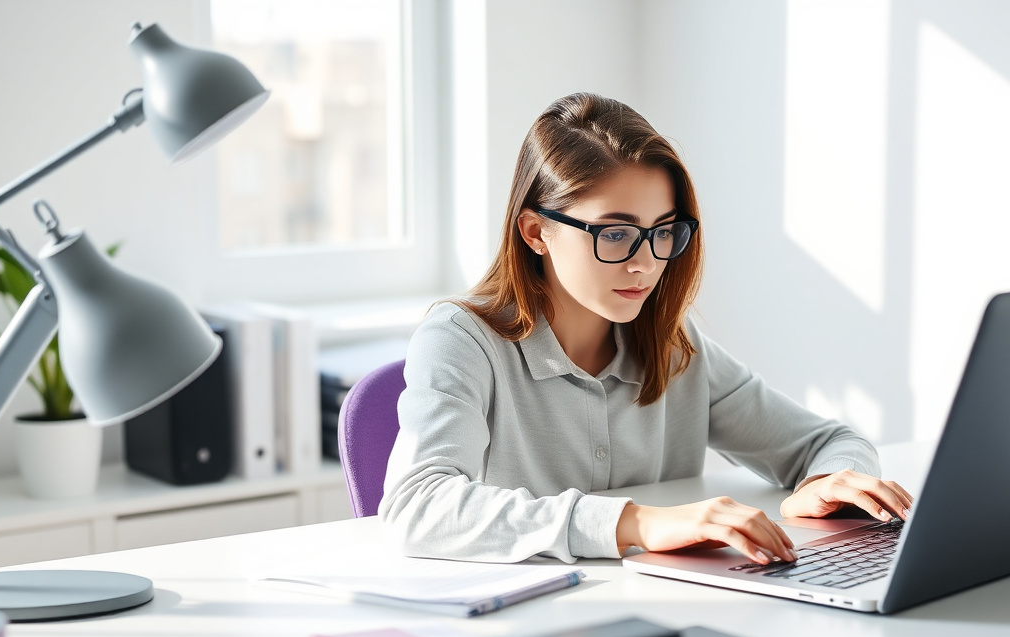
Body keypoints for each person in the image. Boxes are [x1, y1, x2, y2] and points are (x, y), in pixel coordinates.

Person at [381, 92, 913, 566]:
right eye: (615, 234)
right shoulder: (461, 338)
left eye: (663, 232)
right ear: (536, 231)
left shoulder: (672, 343)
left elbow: (826, 441)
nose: (646, 263)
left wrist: (825, 485)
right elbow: (418, 505)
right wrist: (637, 523)